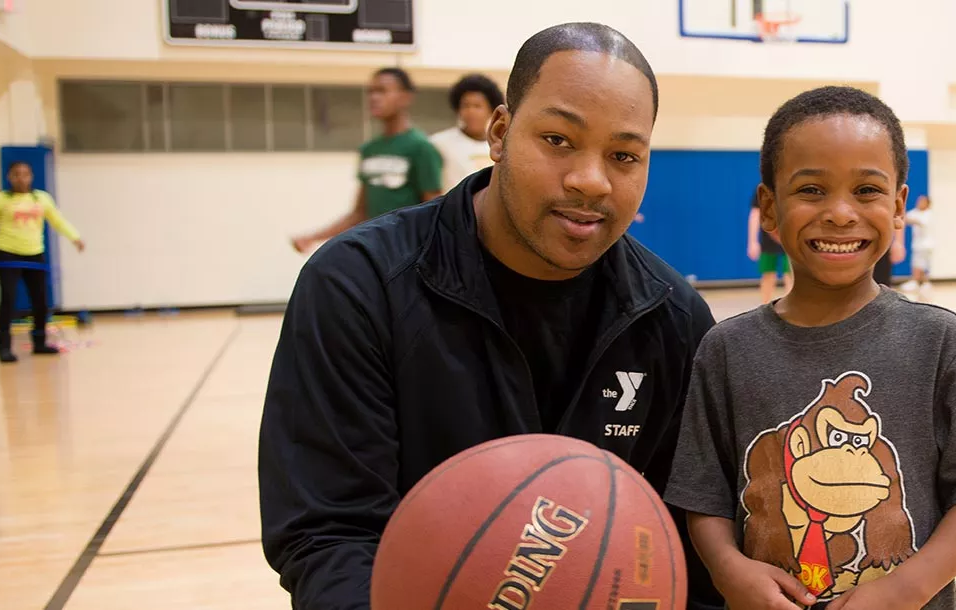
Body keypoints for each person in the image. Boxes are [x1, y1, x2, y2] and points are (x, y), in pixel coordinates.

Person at [258, 22, 722, 609]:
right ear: (500, 132)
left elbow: (688, 543)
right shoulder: (359, 285)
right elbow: (330, 534)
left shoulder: (674, 318)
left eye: (624, 155)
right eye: (557, 139)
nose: (590, 180)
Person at [664, 86, 956, 610]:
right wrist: (729, 571)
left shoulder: (942, 341)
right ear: (769, 209)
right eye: (812, 190)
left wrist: (904, 588)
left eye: (866, 190)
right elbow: (703, 499)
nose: (840, 213)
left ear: (899, 205)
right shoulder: (726, 350)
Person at [291, 67, 444, 253]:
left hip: (408, 254)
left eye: (382, 91)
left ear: (405, 97)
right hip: (376, 251)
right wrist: (314, 237)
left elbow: (434, 212)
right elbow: (360, 213)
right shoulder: (369, 150)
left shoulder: (421, 148)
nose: (374, 98)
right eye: (371, 92)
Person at [0, 161, 85, 363]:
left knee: (40, 302)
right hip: (8, 255)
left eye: (25, 174)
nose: (21, 178)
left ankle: (40, 343)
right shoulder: (0, 200)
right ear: (9, 177)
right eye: (16, 174)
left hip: (35, 254)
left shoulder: (41, 198)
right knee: (8, 300)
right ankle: (4, 348)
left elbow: (57, 221)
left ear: (31, 177)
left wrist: (75, 237)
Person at [430, 73, 506, 191]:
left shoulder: (501, 145)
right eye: (466, 105)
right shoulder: (439, 144)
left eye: (477, 106)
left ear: (491, 110)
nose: (471, 111)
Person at [748, 189, 793, 302]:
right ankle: (765, 306)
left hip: (788, 236)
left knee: (790, 274)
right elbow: (755, 214)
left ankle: (792, 309)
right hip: (768, 238)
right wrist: (752, 241)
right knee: (768, 274)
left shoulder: (789, 186)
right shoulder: (763, 190)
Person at [899, 194, 934, 295]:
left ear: (927, 203)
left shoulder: (928, 214)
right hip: (918, 244)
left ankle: (920, 282)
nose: (919, 203)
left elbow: (915, 221)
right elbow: (904, 218)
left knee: (921, 264)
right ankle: (920, 283)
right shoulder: (915, 212)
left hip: (926, 244)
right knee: (917, 263)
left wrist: (904, 218)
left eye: (922, 201)